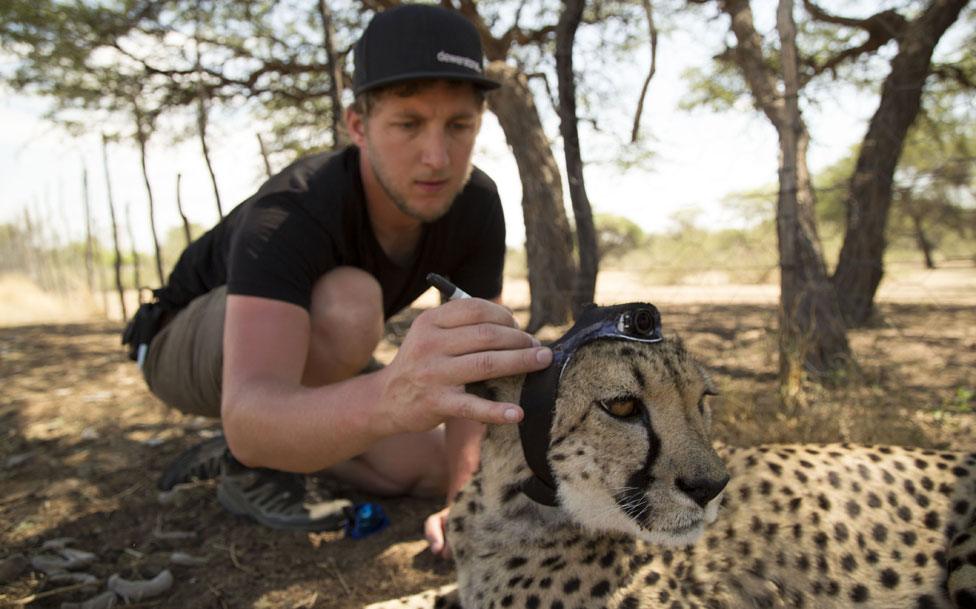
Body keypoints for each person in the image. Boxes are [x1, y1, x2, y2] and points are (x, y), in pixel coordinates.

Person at [124, 4, 552, 558]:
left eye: (459, 125)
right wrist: (386, 398)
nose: (437, 156)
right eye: (407, 123)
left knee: (429, 467)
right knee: (349, 305)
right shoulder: (293, 210)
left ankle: (288, 439)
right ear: (358, 126)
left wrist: (466, 504)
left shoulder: (475, 203)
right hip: (176, 343)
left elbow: (476, 363)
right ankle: (248, 466)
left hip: (314, 352)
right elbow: (253, 414)